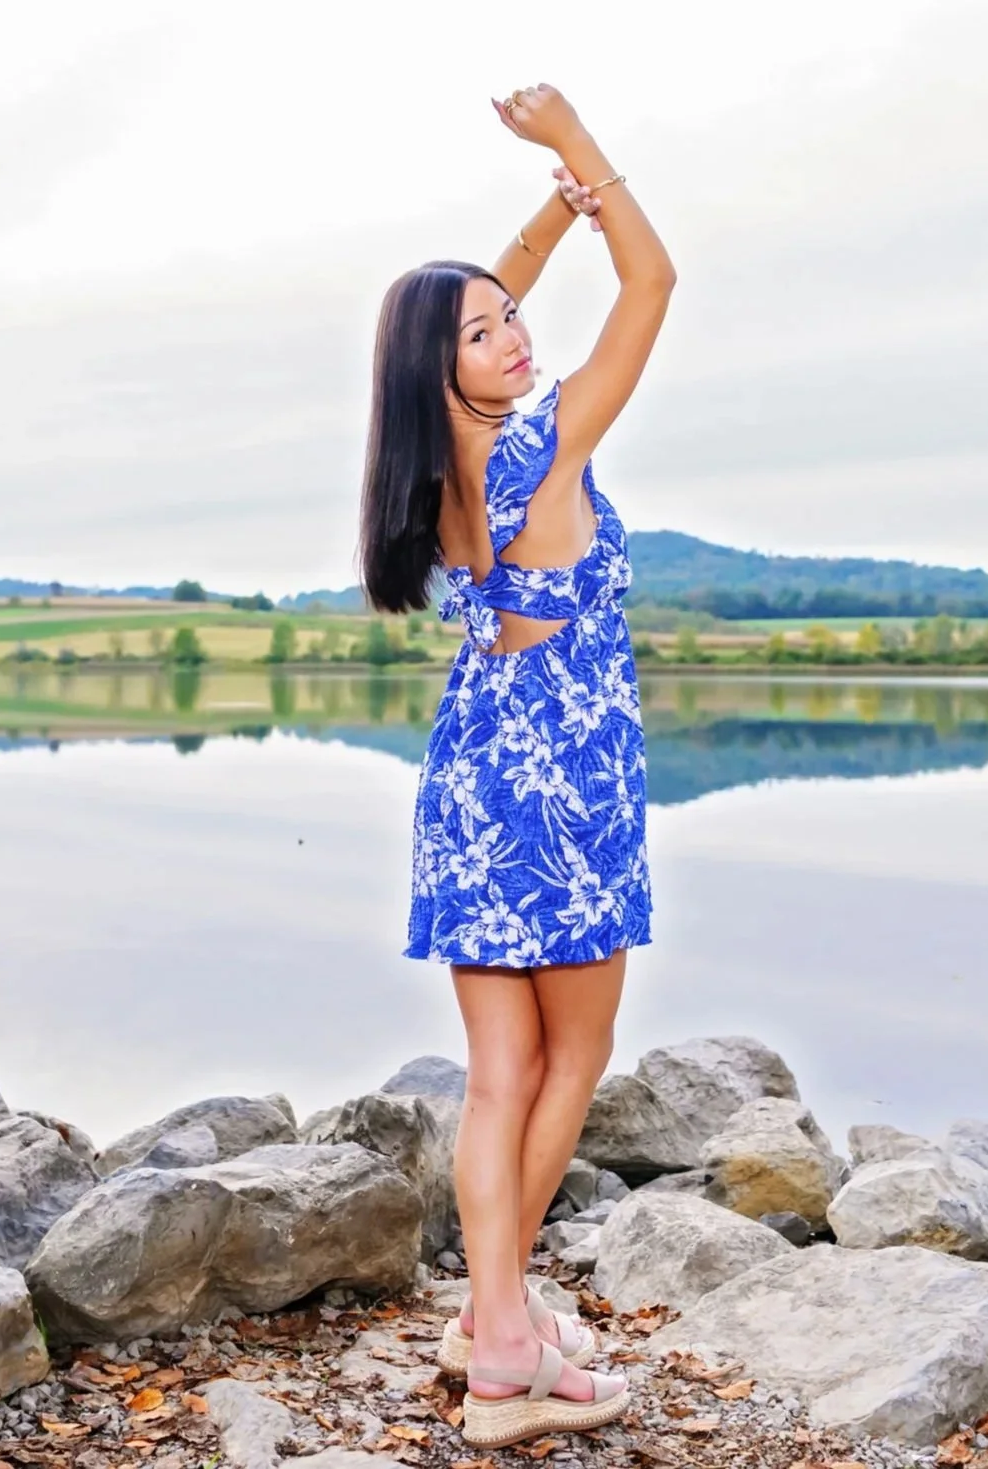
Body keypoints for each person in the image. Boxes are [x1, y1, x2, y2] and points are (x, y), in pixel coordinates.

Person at [356, 83, 674, 1449]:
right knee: (575, 1055)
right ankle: (501, 1338)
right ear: (452, 365)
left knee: (498, 1073)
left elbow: (489, 295)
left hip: (472, 767)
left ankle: (495, 1324)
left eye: (511, 315)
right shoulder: (544, 446)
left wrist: (541, 216)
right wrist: (577, 147)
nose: (517, 330)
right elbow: (654, 279)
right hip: (564, 775)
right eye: (488, 333)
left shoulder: (431, 457)